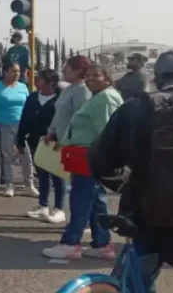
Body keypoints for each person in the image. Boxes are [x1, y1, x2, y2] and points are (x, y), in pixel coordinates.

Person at [89, 50, 173, 293]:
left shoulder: (137, 109)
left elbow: (99, 160)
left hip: (148, 220)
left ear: (156, 78)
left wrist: (126, 185)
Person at [42, 65, 123, 261]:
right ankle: (102, 244)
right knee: (95, 202)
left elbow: (105, 133)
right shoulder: (100, 96)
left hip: (89, 157)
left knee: (80, 201)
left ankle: (70, 243)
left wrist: (101, 159)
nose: (90, 79)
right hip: (85, 156)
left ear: (107, 77)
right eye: (87, 76)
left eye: (96, 75)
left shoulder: (105, 98)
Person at [18, 69, 65, 223]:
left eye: (40, 79)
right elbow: (24, 118)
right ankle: (43, 206)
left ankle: (59, 209)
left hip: (55, 142)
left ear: (51, 83)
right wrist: (20, 140)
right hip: (35, 141)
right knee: (42, 175)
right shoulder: (32, 97)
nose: (37, 81)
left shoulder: (61, 98)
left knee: (58, 176)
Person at [0, 61, 36, 197]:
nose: (16, 74)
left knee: (26, 156)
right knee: (7, 156)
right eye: (13, 71)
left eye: (18, 71)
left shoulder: (23, 87)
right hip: (5, 126)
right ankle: (9, 185)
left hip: (22, 126)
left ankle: (29, 185)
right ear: (5, 72)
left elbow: (28, 107)